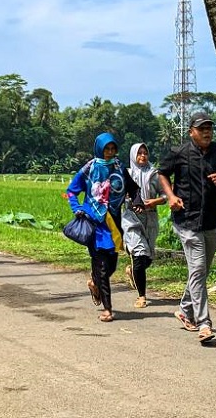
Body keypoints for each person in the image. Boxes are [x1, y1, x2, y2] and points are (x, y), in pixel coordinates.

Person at [158, 111, 216, 343]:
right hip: (187, 221)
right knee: (197, 269)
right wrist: (171, 196)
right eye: (201, 128)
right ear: (191, 131)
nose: (206, 132)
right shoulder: (179, 153)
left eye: (209, 128)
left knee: (202, 271)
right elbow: (161, 174)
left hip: (211, 221)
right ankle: (204, 323)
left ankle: (185, 310)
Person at [66, 132, 142, 323]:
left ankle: (95, 282)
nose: (109, 152)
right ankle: (108, 309)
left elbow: (133, 188)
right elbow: (71, 191)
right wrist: (77, 209)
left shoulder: (118, 168)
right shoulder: (89, 169)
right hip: (94, 223)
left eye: (112, 149)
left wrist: (137, 201)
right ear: (99, 149)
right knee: (101, 266)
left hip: (114, 224)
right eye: (106, 149)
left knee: (112, 264)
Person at [122, 142, 167, 308]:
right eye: (139, 153)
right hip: (131, 218)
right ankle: (141, 296)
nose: (142, 156)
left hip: (150, 219)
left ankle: (133, 271)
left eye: (145, 153)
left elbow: (165, 195)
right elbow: (117, 192)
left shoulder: (154, 174)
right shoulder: (126, 174)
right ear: (133, 155)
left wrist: (154, 201)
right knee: (139, 255)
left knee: (147, 258)